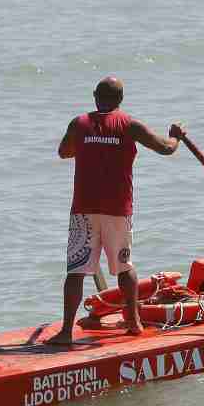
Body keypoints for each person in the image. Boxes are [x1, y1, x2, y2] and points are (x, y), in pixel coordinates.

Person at [49, 77, 184, 345]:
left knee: (76, 271)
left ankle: (65, 332)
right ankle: (133, 322)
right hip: (117, 210)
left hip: (84, 211)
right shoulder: (129, 125)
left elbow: (64, 152)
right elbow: (166, 149)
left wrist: (89, 145)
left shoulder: (79, 124)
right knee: (124, 267)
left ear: (94, 96)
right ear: (120, 100)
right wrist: (176, 136)